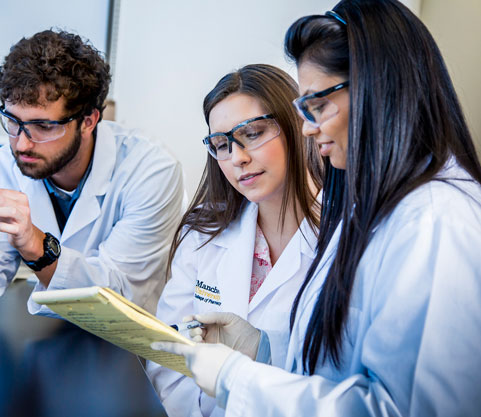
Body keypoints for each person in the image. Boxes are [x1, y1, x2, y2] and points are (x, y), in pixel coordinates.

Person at [152, 1, 481, 416]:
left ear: (377, 89)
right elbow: (335, 367)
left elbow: (405, 407)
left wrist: (238, 379)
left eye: (318, 105)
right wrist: (261, 349)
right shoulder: (375, 211)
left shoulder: (434, 221)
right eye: (221, 144)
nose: (308, 126)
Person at [0, 29, 185, 315]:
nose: (22, 143)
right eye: (13, 121)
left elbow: (120, 299)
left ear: (89, 120)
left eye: (43, 126)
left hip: (124, 352)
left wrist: (33, 243)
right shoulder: (2, 168)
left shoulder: (150, 171)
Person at [147, 64, 322, 417]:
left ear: (297, 125)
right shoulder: (202, 233)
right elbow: (168, 354)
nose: (237, 158)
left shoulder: (347, 236)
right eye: (222, 144)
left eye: (254, 133)